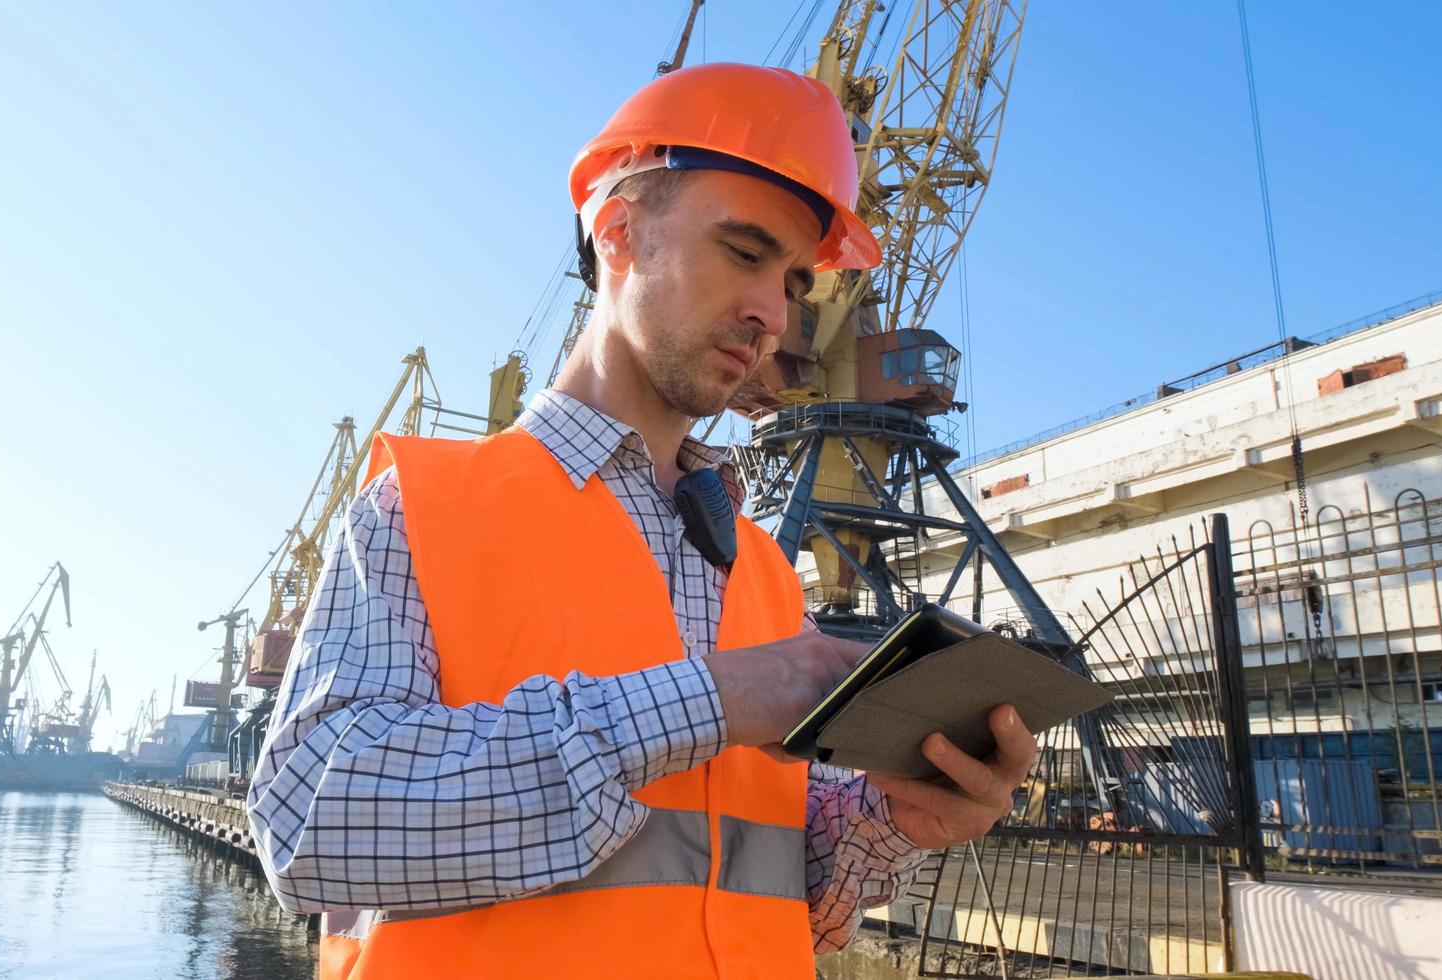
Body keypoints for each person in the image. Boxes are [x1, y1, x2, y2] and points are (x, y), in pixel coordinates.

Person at [245, 62, 1038, 979]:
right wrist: (714, 700)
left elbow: (768, 899)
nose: (773, 314)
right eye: (745, 254)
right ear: (618, 232)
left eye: (791, 280)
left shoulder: (763, 573)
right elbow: (310, 825)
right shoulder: (418, 507)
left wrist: (892, 822)